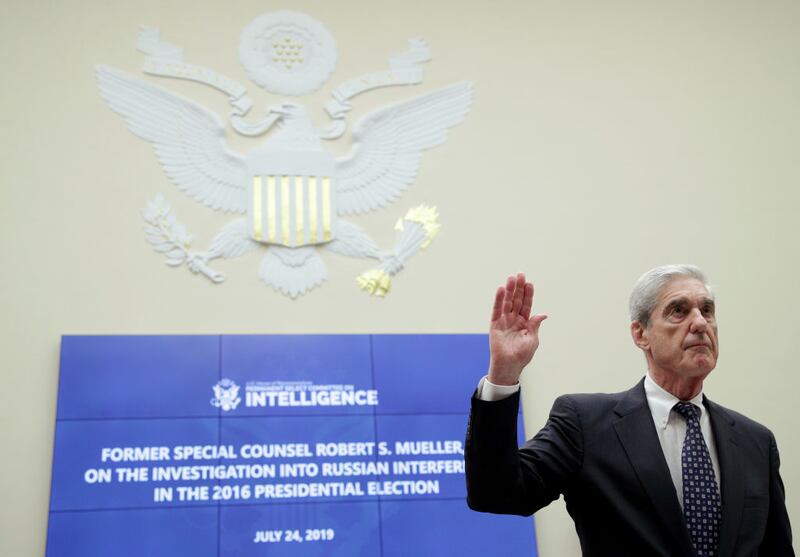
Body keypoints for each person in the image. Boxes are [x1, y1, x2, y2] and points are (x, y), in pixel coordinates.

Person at [465, 265, 794, 556]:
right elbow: (496, 493)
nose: (699, 323)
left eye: (707, 310)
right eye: (679, 311)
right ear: (641, 334)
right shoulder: (586, 423)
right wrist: (504, 374)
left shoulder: (756, 442)